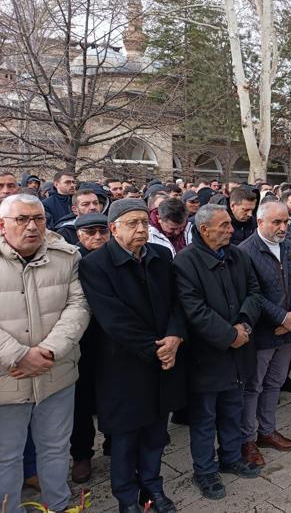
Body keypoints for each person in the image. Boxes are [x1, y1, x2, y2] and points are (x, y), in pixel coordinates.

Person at [79, 199, 186, 513]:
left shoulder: (162, 256)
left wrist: (176, 336)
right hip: (123, 366)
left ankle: (153, 486)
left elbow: (177, 303)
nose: (141, 229)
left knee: (156, 432)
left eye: (144, 222)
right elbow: (113, 320)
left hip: (165, 360)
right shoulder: (95, 265)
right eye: (132, 223)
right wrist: (159, 349)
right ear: (113, 229)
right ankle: (127, 498)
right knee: (125, 438)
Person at [0, 194, 90, 513]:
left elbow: (78, 306)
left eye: (38, 219)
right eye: (22, 219)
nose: (32, 226)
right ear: (2, 225)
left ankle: (59, 506)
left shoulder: (66, 256)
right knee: (6, 456)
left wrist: (49, 351)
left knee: (54, 449)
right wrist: (19, 354)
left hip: (56, 374)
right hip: (7, 380)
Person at [174, 204, 262, 500]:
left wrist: (245, 326)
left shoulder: (237, 254)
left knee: (232, 409)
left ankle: (231, 456)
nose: (231, 229)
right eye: (224, 225)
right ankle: (205, 471)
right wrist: (228, 335)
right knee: (204, 418)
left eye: (229, 225)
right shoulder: (185, 262)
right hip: (207, 356)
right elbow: (194, 310)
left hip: (238, 349)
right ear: (204, 230)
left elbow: (254, 292)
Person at [238, 202, 291, 466]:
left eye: (286, 222)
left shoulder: (289, 246)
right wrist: (281, 318)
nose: (283, 227)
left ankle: (267, 430)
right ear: (260, 222)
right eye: (276, 222)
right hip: (264, 332)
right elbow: (252, 295)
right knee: (253, 386)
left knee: (274, 383)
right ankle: (247, 439)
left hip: (288, 331)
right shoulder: (245, 251)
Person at [70, 214, 111, 484]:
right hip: (82, 342)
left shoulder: (114, 259)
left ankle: (114, 442)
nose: (97, 237)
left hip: (112, 341)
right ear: (78, 236)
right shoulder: (72, 263)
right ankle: (82, 454)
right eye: (90, 232)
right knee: (81, 403)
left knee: (112, 396)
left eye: (102, 231)